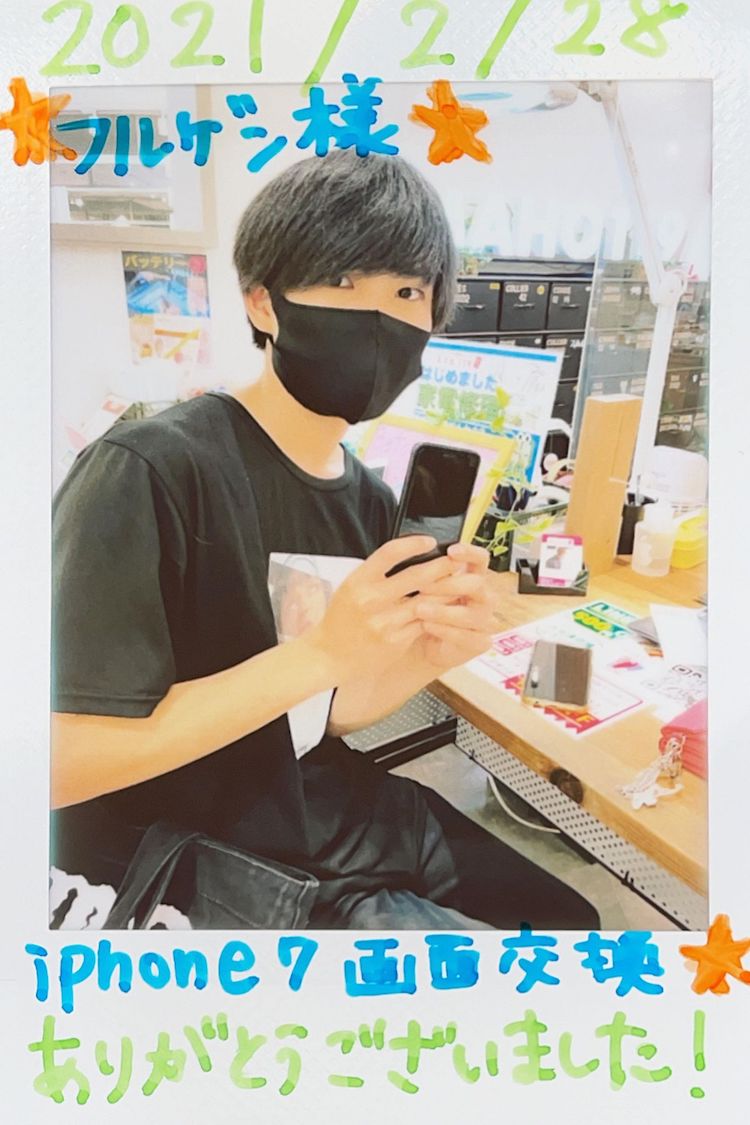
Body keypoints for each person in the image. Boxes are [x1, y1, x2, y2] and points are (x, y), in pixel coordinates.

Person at [51, 149, 599, 930]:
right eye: (343, 280)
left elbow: (325, 715)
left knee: (571, 918)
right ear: (264, 303)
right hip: (198, 855)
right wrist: (320, 653)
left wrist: (425, 651)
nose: (379, 317)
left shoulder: (370, 500)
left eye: (408, 291)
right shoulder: (149, 469)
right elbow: (59, 762)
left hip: (326, 805)